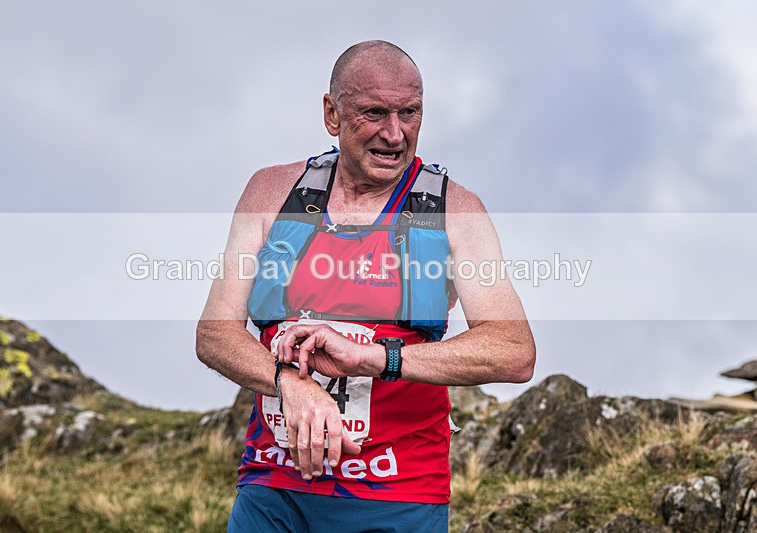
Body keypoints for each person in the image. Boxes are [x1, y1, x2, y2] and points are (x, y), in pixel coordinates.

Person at [196, 40, 536, 533]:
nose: (395, 134)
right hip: (272, 490)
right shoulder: (272, 193)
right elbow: (214, 333)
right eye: (374, 113)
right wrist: (289, 382)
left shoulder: (456, 212)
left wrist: (375, 357)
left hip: (396, 497)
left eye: (409, 113)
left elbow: (514, 351)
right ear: (332, 114)